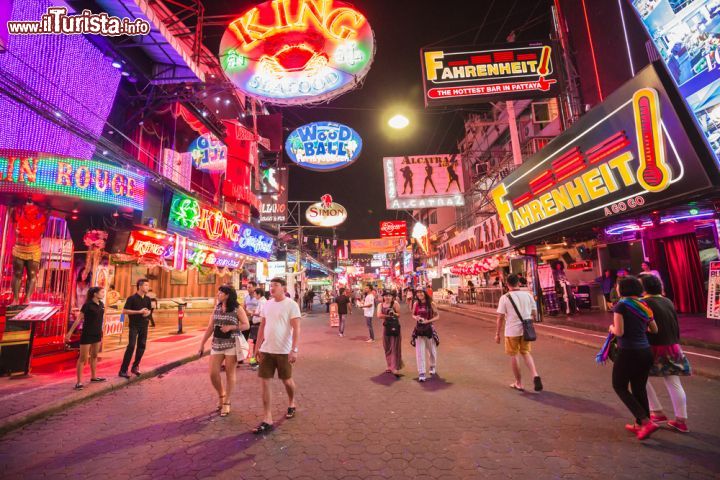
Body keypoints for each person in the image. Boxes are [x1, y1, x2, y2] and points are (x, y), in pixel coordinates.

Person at [610, 276, 659, 440]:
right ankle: (641, 424)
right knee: (639, 388)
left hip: (628, 352)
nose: (616, 288)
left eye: (617, 286)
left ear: (622, 289)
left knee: (619, 386)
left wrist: (611, 328)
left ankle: (645, 421)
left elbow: (620, 332)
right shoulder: (643, 305)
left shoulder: (621, 306)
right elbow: (654, 329)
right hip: (645, 351)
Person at [641, 275, 691, 433]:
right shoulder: (667, 301)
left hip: (653, 346)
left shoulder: (643, 303)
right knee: (674, 383)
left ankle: (656, 411)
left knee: (639, 378)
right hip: (672, 345)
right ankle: (681, 420)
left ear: (643, 288)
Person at [253, 277, 301, 434]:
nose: (272, 288)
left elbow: (296, 329)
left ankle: (292, 402)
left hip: (283, 351)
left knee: (287, 381)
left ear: (283, 288)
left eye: (276, 285)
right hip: (267, 349)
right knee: (264, 382)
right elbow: (262, 326)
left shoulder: (291, 305)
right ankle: (267, 418)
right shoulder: (267, 304)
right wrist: (257, 346)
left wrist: (294, 349)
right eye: (271, 285)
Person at [198, 286, 249, 416]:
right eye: (218, 292)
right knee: (213, 373)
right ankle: (221, 394)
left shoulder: (237, 309)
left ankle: (226, 402)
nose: (218, 294)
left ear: (227, 295)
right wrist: (202, 344)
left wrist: (232, 327)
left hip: (232, 344)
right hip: (217, 344)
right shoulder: (217, 308)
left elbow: (246, 325)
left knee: (229, 374)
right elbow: (210, 327)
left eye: (220, 292)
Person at [495, 274, 543, 392]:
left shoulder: (505, 298)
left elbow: (500, 317)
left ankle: (519, 383)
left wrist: (497, 333)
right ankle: (535, 375)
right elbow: (534, 314)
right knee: (526, 352)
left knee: (514, 355)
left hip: (512, 331)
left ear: (507, 285)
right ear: (519, 283)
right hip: (526, 330)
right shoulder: (527, 295)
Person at [65, 287, 106, 390]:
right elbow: (79, 319)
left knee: (94, 355)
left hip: (97, 334)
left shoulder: (101, 304)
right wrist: (70, 332)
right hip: (87, 333)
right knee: (83, 358)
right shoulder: (87, 305)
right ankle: (79, 382)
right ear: (95, 294)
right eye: (101, 292)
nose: (103, 294)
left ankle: (93, 377)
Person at [119, 279, 153, 379]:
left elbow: (149, 310)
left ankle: (135, 367)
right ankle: (123, 370)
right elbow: (124, 311)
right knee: (131, 346)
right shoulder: (131, 298)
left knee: (142, 346)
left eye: (148, 285)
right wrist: (139, 312)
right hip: (134, 326)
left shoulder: (147, 299)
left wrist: (148, 313)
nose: (148, 287)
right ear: (140, 286)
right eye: (146, 285)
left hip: (144, 325)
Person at [411, 289, 439, 382]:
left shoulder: (431, 304)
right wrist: (417, 318)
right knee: (419, 352)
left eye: (421, 292)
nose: (419, 294)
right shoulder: (416, 304)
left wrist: (428, 321)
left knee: (432, 351)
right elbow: (413, 315)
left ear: (424, 293)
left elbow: (437, 316)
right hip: (419, 330)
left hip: (429, 330)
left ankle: (432, 366)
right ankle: (421, 372)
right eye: (418, 293)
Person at [377, 290, 404, 376]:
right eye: (386, 296)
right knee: (387, 346)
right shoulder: (380, 305)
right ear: (383, 297)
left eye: (389, 296)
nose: (387, 297)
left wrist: (394, 313)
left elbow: (399, 315)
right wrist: (389, 315)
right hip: (386, 328)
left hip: (395, 327)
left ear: (392, 297)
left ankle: (395, 367)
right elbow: (379, 315)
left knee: (395, 347)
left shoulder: (395, 304)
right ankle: (389, 365)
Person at [248, 288, 267, 368]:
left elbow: (261, 314)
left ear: (259, 294)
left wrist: (253, 313)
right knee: (257, 343)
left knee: (257, 344)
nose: (254, 296)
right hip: (258, 324)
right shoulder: (262, 302)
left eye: (255, 294)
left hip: (259, 324)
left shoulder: (262, 302)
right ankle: (257, 360)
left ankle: (256, 360)